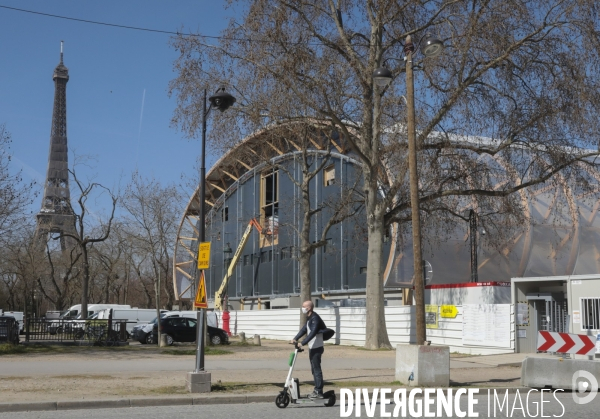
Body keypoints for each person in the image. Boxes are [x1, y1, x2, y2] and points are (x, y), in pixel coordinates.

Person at [290, 300, 326, 398]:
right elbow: (304, 329)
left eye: (303, 306)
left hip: (317, 347)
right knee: (314, 370)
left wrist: (302, 343)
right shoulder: (310, 318)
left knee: (316, 369)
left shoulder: (315, 318)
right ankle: (317, 390)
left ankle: (319, 391)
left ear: (309, 308)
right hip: (312, 347)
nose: (302, 308)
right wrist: (295, 338)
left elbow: (313, 332)